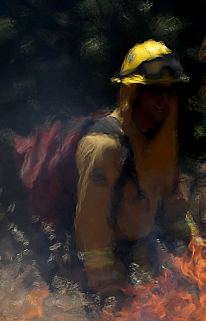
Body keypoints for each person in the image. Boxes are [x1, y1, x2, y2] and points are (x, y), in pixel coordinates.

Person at [74, 40, 197, 298]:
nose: (164, 99)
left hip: (140, 252)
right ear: (134, 92)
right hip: (93, 265)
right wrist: (108, 287)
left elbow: (173, 204)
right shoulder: (105, 147)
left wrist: (197, 248)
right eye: (155, 90)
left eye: (170, 91)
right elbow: (92, 227)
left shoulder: (162, 142)